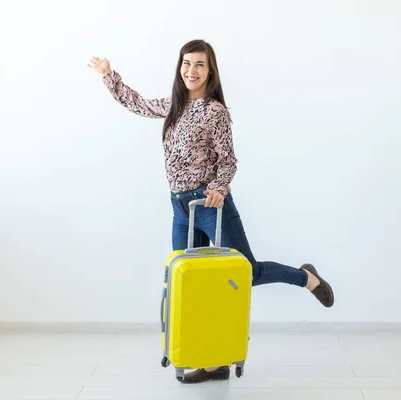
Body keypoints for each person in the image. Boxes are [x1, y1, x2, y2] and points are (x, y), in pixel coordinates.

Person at [88, 39, 334, 383]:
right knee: (189, 284)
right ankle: (214, 364)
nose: (192, 70)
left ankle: (308, 278)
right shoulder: (174, 105)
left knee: (246, 273)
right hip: (180, 207)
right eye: (186, 63)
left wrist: (218, 189)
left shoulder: (215, 112)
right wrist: (108, 75)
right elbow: (138, 103)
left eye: (200, 64)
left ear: (210, 70)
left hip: (210, 206)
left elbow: (228, 160)